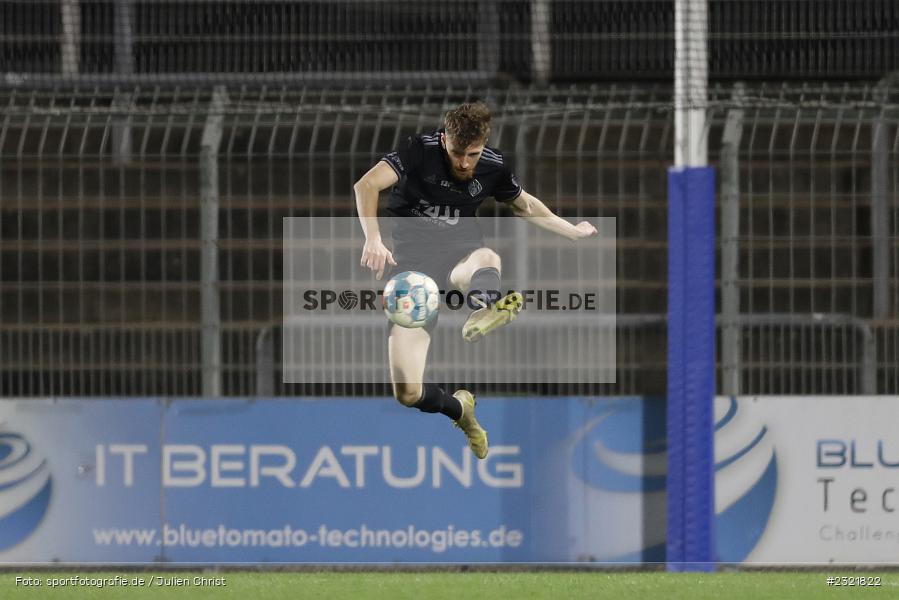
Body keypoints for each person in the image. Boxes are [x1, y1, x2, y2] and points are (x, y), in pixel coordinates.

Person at [354, 101, 596, 459]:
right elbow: (367, 184)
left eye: (473, 154)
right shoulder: (418, 151)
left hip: (458, 255)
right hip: (412, 275)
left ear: (483, 144)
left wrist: (571, 232)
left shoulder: (493, 166)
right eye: (457, 153)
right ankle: (461, 411)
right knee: (407, 393)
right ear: (444, 138)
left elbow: (524, 205)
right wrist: (372, 238)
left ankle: (485, 305)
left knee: (485, 258)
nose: (464, 162)